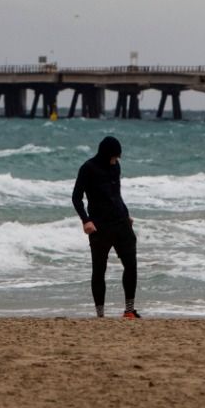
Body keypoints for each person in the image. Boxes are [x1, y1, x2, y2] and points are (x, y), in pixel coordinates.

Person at [72, 135, 139, 318]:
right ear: (106, 154)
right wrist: (86, 220)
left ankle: (129, 310)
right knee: (99, 270)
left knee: (131, 265)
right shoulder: (88, 168)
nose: (116, 160)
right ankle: (100, 314)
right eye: (114, 156)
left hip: (121, 222)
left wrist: (126, 214)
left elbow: (116, 194)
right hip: (99, 227)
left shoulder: (115, 166)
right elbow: (76, 198)